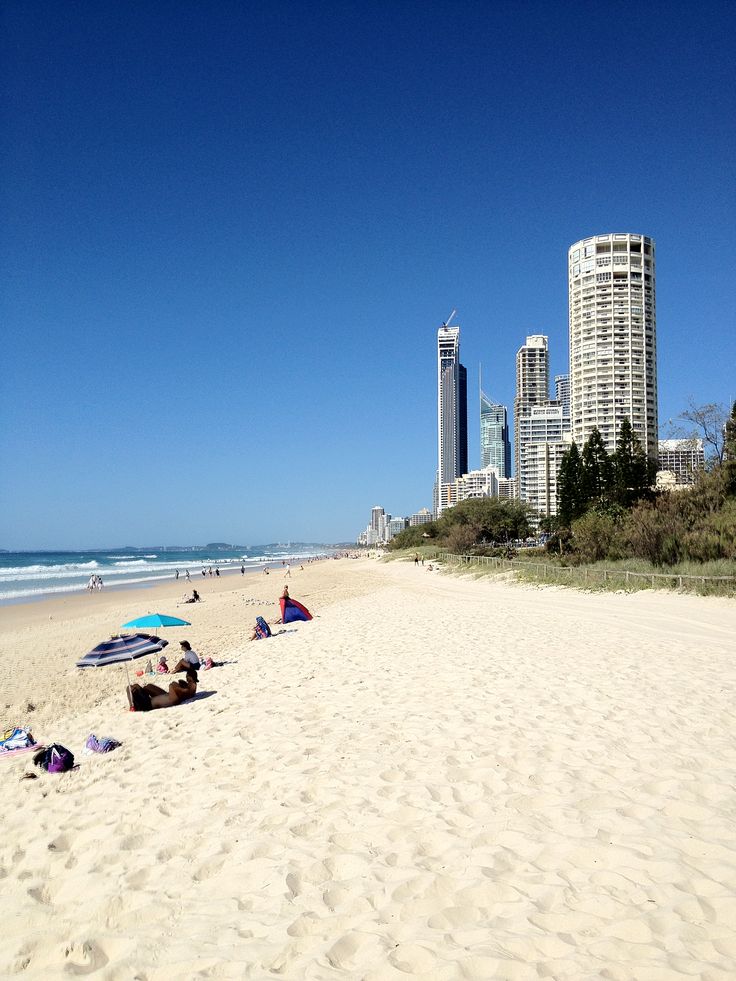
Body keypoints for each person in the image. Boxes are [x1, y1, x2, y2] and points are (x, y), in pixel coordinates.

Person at [128, 668, 198, 711]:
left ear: (190, 677)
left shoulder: (186, 689)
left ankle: (132, 706)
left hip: (147, 704)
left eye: (187, 677)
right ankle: (138, 696)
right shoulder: (190, 688)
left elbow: (173, 686)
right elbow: (184, 690)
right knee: (148, 686)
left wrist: (178, 685)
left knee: (131, 687)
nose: (186, 678)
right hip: (156, 699)